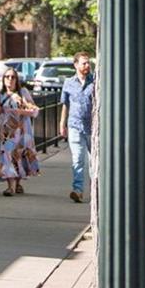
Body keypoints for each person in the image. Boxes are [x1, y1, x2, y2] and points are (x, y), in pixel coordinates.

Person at [0, 68, 40, 196]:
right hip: (6, 133)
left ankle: (17, 183)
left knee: (19, 157)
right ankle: (11, 187)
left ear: (17, 80)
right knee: (6, 155)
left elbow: (35, 111)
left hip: (22, 131)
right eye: (7, 77)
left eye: (13, 77)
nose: (10, 79)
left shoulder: (22, 93)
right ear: (3, 79)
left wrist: (21, 111)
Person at [58, 52, 96, 204]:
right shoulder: (69, 83)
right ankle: (78, 190)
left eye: (88, 63)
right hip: (74, 125)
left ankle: (96, 191)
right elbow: (65, 105)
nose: (87, 66)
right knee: (77, 159)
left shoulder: (95, 81)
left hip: (92, 127)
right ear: (76, 65)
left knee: (94, 161)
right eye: (84, 63)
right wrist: (62, 123)